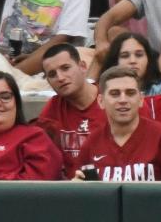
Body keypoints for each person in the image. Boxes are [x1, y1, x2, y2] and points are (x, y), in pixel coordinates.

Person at [72, 66, 161, 183]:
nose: (123, 100)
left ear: (141, 99)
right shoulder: (91, 143)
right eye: (115, 94)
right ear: (101, 101)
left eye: (130, 93)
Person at [39, 43, 109, 173]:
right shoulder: (52, 109)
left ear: (82, 67)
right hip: (72, 188)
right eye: (52, 74)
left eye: (65, 68)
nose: (60, 78)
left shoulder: (111, 99)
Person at [99, 31, 161, 124]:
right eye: (125, 56)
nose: (132, 61)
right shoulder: (105, 87)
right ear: (115, 61)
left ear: (148, 59)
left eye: (139, 55)